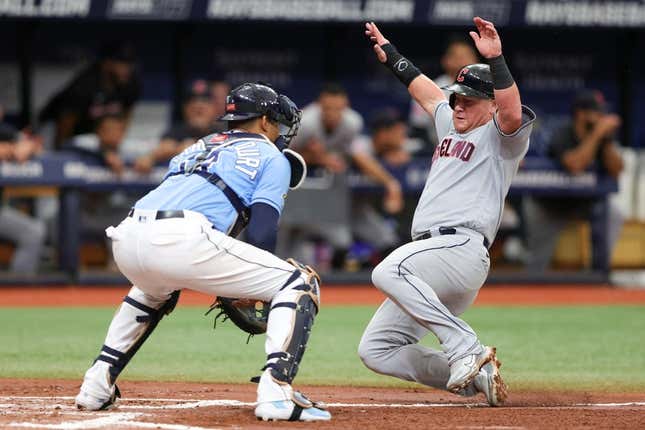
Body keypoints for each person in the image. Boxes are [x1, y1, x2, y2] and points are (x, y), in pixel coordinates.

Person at [74, 83, 331, 422]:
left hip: (128, 234)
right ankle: (277, 392)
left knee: (153, 291)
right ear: (266, 120)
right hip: (181, 237)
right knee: (299, 282)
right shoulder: (272, 156)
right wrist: (247, 286)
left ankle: (95, 385)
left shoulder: (200, 144)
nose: (280, 131)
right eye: (277, 122)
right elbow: (262, 232)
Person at [358, 18, 536, 407]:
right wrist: (391, 56)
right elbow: (426, 93)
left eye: (469, 100)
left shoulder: (501, 136)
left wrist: (497, 60)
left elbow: (510, 110)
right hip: (433, 261)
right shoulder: (450, 124)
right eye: (457, 97)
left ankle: (466, 347)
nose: (458, 104)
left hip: (461, 248)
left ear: (489, 105)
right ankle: (478, 377)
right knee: (377, 350)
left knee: (387, 270)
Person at [283, 84, 403, 268]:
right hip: (299, 186)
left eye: (338, 108)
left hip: (332, 190)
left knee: (343, 240)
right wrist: (318, 157)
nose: (333, 113)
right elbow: (282, 156)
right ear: (319, 106)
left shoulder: (352, 122)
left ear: (345, 107)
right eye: (327, 108)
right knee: (289, 244)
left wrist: (390, 183)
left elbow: (359, 156)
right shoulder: (305, 122)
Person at [523, 90, 624, 271]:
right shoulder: (562, 133)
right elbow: (575, 165)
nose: (601, 117)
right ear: (580, 113)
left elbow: (617, 170)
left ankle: (600, 274)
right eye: (596, 112)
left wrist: (605, 141)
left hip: (582, 203)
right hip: (549, 205)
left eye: (602, 112)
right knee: (537, 266)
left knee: (613, 213)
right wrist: (597, 135)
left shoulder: (601, 136)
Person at [39, 41, 141, 148]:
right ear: (106, 63)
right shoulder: (84, 86)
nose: (127, 68)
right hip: (55, 127)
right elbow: (65, 125)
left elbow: (125, 117)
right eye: (121, 63)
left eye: (129, 63)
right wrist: (60, 155)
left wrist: (114, 145)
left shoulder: (130, 84)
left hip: (94, 134)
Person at [134, 80, 227, 173]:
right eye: (192, 101)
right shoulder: (176, 131)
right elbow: (161, 150)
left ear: (215, 108)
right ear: (184, 108)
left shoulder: (224, 132)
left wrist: (193, 149)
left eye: (205, 101)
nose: (198, 105)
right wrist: (149, 158)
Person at [409, 36, 478, 152]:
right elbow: (418, 129)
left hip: (477, 151)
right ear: (445, 61)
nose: (463, 61)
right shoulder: (430, 88)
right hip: (440, 151)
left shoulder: (486, 91)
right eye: (458, 57)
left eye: (467, 56)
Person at [0, 107, 46, 274]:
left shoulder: (4, 132)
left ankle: (18, 289)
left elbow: (34, 145)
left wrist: (28, 145)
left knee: (33, 231)